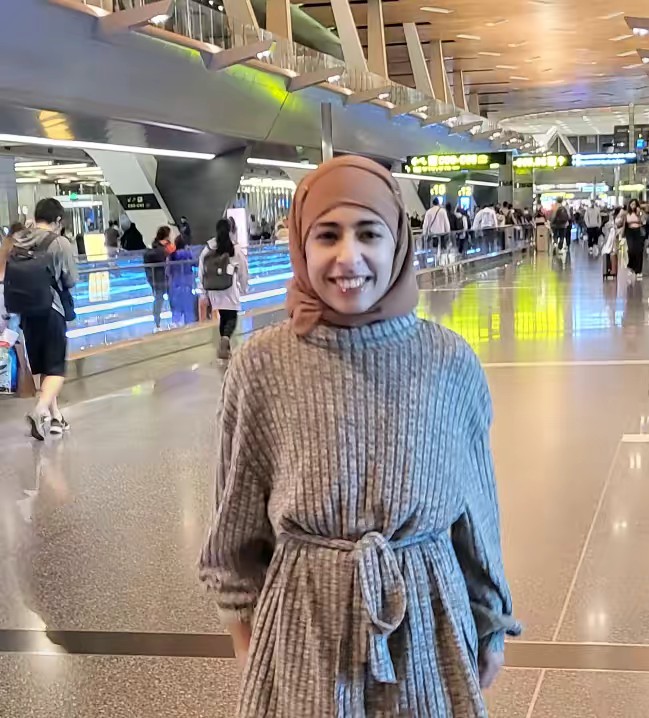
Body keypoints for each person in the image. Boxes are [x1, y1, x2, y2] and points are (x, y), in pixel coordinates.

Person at [198, 155, 519, 717]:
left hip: (428, 620)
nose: (348, 257)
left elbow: (475, 513)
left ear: (397, 243)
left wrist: (489, 620)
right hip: (303, 627)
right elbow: (236, 520)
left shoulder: (448, 362)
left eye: (369, 233)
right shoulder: (263, 365)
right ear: (302, 244)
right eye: (327, 235)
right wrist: (247, 642)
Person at [3, 198, 78, 439]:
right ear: (58, 220)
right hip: (51, 309)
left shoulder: (18, 240)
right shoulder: (59, 243)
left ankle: (55, 417)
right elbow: (70, 279)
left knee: (42, 365)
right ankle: (39, 411)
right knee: (56, 369)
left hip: (26, 311)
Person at [197, 217, 249, 359]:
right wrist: (244, 287)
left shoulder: (208, 248)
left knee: (223, 316)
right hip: (229, 287)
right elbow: (243, 270)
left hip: (214, 289)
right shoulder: (234, 248)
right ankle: (225, 339)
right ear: (230, 230)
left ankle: (225, 348)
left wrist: (203, 292)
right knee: (231, 317)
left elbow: (201, 271)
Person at [143, 226, 171, 329]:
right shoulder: (159, 250)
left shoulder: (158, 247)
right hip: (159, 278)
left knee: (162, 298)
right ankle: (157, 321)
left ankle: (162, 320)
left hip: (162, 277)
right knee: (159, 298)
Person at [167, 235, 196, 325]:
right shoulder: (189, 254)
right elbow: (195, 264)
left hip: (176, 285)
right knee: (189, 309)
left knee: (177, 309)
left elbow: (168, 271)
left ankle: (176, 325)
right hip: (188, 284)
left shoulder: (172, 256)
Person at [625, 199, 644, 279]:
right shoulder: (626, 213)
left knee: (638, 250)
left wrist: (638, 214)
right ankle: (631, 266)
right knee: (631, 249)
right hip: (629, 232)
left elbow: (643, 221)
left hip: (638, 231)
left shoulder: (639, 212)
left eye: (635, 204)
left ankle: (638, 270)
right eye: (632, 204)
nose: (633, 206)